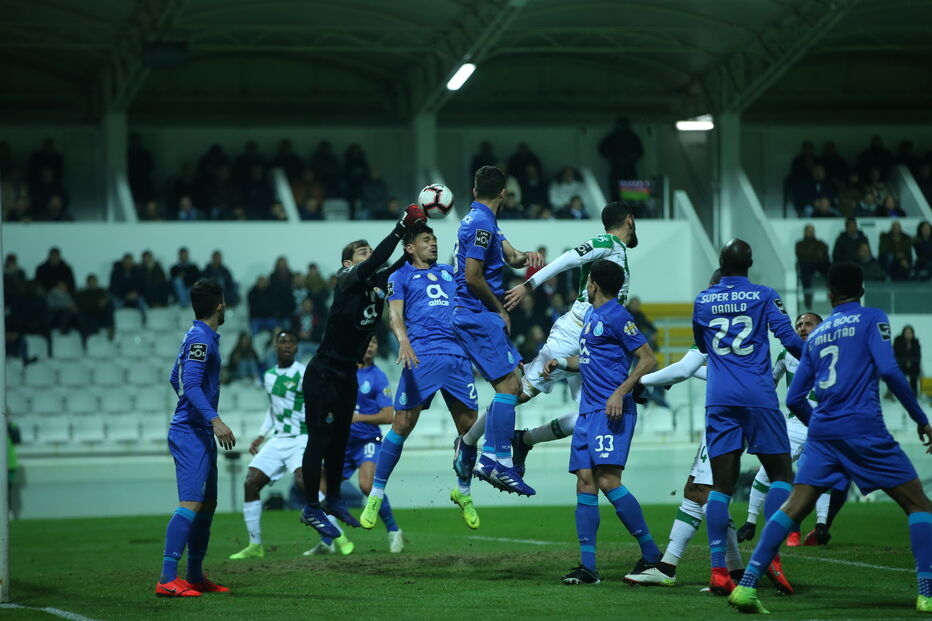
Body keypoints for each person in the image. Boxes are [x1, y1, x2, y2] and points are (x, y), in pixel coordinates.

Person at [729, 262, 932, 615]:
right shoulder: (872, 318)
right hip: (864, 427)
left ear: (830, 295)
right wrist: (920, 418)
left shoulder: (817, 337)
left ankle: (746, 587)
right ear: (863, 290)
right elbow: (889, 369)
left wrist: (819, 427)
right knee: (917, 504)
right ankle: (927, 592)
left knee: (794, 507)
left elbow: (793, 398)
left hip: (822, 431)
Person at [464, 202, 638, 475]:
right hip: (574, 332)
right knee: (517, 392)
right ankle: (467, 442)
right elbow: (568, 259)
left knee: (592, 416)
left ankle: (525, 440)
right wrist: (528, 285)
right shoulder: (607, 242)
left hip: (595, 343)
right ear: (629, 219)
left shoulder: (620, 253)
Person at [624, 270, 761, 590]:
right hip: (746, 412)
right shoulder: (747, 319)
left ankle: (700, 570)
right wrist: (673, 378)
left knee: (704, 492)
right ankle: (730, 570)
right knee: (699, 490)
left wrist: (641, 381)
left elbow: (686, 367)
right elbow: (712, 372)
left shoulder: (713, 321)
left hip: (726, 418)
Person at [298, 201, 426, 537]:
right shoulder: (345, 279)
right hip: (323, 372)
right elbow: (380, 259)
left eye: (368, 250)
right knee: (320, 441)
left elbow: (397, 263)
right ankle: (311, 505)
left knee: (340, 440)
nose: (367, 254)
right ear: (347, 262)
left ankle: (334, 500)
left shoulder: (375, 281)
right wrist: (401, 227)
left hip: (346, 375)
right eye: (360, 252)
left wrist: (413, 240)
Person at [692, 238, 803, 595]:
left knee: (721, 485)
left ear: (721, 264)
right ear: (750, 262)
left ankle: (718, 572)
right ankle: (770, 554)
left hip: (720, 397)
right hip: (759, 394)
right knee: (781, 473)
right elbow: (789, 338)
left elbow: (701, 345)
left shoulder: (702, 300)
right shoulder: (765, 295)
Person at [539, 260, 659, 585]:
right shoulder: (591, 316)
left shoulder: (619, 315)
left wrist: (620, 392)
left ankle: (652, 555)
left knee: (608, 481)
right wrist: (562, 361)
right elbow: (588, 359)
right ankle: (588, 567)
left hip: (611, 411)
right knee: (584, 482)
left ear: (593, 284)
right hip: (588, 412)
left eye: (587, 281)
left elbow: (648, 358)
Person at [359, 225, 481, 531]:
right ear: (410, 248)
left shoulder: (450, 272)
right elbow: (394, 315)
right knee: (401, 424)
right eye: (426, 240)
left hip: (456, 357)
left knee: (469, 430)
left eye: (435, 240)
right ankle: (376, 494)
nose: (433, 244)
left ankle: (463, 492)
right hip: (421, 355)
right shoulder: (399, 277)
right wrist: (403, 340)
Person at [449, 165, 543, 496]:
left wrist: (527, 258)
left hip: (475, 314)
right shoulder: (480, 225)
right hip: (476, 313)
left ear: (475, 192)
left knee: (514, 383)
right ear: (503, 192)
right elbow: (474, 277)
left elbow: (512, 256)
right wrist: (500, 309)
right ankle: (494, 460)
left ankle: (472, 444)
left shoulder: (483, 221)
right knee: (509, 386)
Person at [229, 331, 351, 560]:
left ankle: (339, 536)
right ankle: (255, 544)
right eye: (282, 342)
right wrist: (261, 435)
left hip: (301, 437)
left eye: (291, 342)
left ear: (296, 348)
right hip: (279, 439)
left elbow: (318, 404)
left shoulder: (304, 374)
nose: (287, 345)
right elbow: (273, 408)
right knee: (250, 483)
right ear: (275, 347)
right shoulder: (269, 376)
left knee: (305, 481)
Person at [736, 313, 848, 548]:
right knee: (768, 472)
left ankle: (820, 526)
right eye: (799, 324)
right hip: (794, 425)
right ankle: (751, 522)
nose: (802, 328)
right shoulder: (786, 354)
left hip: (823, 426)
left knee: (822, 476)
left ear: (822, 327)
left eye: (808, 324)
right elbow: (768, 383)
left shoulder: (835, 352)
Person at [156, 279, 236, 598]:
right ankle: (166, 577)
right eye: (225, 302)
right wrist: (214, 420)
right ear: (220, 305)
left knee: (207, 504)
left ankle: (193, 575)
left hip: (198, 430)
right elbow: (189, 384)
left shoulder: (199, 336)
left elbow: (174, 378)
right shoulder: (201, 339)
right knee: (191, 503)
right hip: (191, 432)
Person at [337, 336, 403, 552]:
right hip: (343, 442)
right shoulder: (344, 372)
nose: (370, 346)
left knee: (367, 485)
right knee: (322, 485)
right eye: (367, 342)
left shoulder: (378, 377)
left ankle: (394, 531)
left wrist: (358, 418)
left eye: (374, 343)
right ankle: (328, 540)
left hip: (367, 440)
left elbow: (387, 416)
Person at [599, 117, 643, 198]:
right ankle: (625, 208)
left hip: (627, 168)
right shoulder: (615, 136)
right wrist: (611, 157)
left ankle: (630, 208)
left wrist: (631, 158)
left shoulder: (631, 136)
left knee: (630, 194)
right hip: (619, 167)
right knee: (618, 192)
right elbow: (601, 148)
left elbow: (640, 152)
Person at [894, 326, 922, 396]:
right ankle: (901, 392)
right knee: (899, 371)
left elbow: (918, 356)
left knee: (914, 371)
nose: (908, 334)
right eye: (907, 333)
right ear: (903, 333)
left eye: (910, 333)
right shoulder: (898, 341)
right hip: (901, 364)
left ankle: (914, 391)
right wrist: (906, 361)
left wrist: (910, 362)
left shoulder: (915, 342)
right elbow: (896, 355)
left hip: (912, 365)